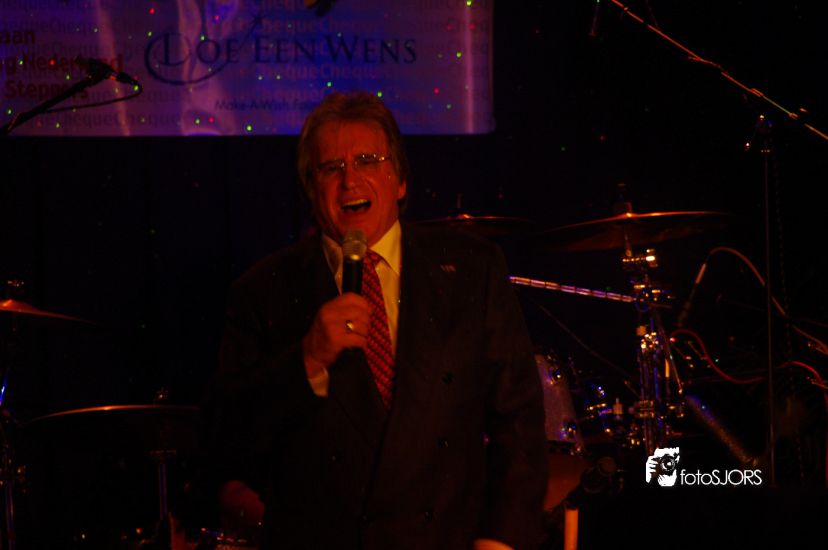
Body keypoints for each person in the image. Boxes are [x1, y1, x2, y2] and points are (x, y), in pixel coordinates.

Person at [208, 90, 547, 550]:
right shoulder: (263, 290)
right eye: (331, 168)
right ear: (311, 190)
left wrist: (500, 539)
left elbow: (519, 421)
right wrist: (306, 360)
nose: (350, 180)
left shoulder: (473, 268)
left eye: (367, 161)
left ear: (400, 179)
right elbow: (230, 439)